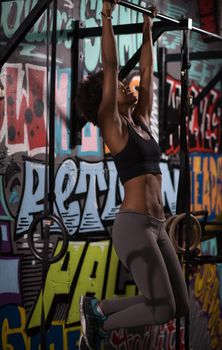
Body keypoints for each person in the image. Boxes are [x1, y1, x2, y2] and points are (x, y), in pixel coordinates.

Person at [76, 1, 189, 349]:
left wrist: (146, 27)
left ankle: (98, 309)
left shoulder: (139, 120)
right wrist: (107, 17)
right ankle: (101, 325)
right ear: (105, 100)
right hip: (134, 225)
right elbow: (110, 65)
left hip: (158, 225)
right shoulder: (113, 126)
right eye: (120, 85)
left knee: (179, 305)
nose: (127, 84)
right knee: (162, 308)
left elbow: (148, 70)